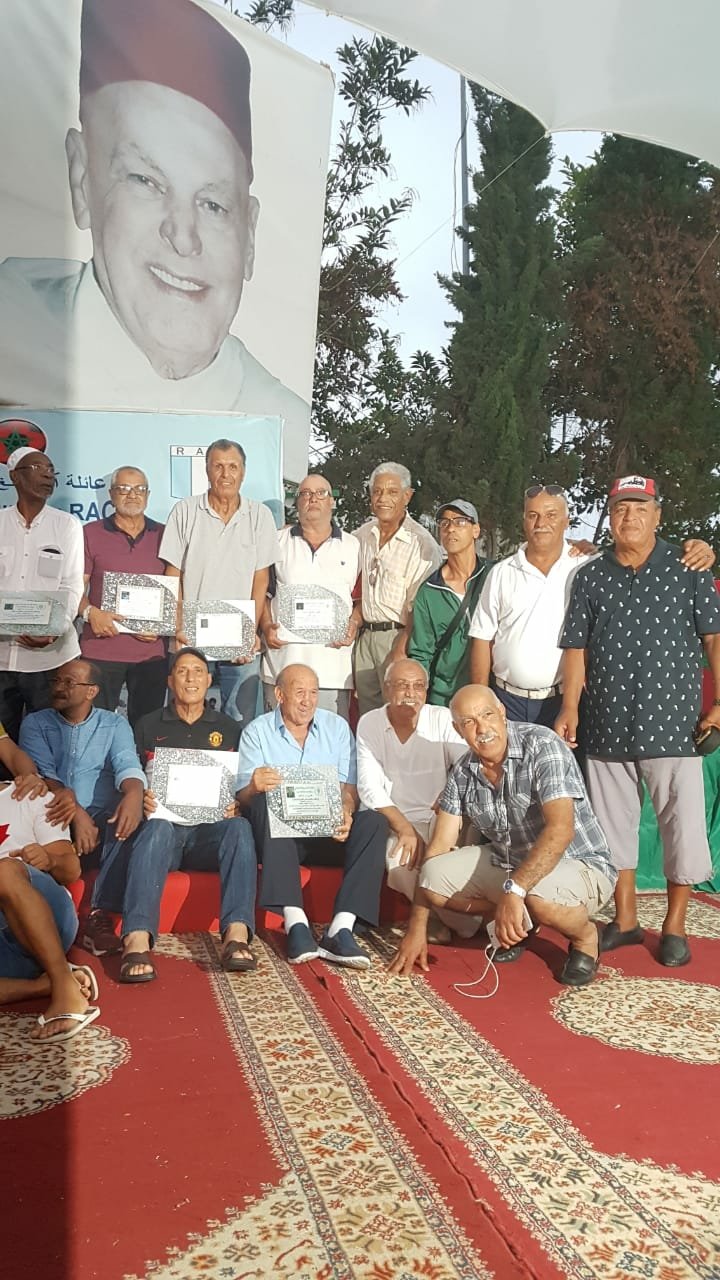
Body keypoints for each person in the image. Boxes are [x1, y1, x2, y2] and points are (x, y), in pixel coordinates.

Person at [0, 0, 309, 480]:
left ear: (249, 235)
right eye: (145, 181)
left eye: (214, 204)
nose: (183, 238)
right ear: (82, 180)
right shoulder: (12, 321)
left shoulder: (282, 431)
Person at [556, 475, 720, 967]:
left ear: (657, 515)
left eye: (640, 508)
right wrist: (570, 707)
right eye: (621, 509)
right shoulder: (590, 576)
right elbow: (576, 648)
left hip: (674, 727)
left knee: (681, 828)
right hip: (607, 722)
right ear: (610, 516)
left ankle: (674, 926)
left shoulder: (689, 567)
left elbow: (713, 638)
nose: (630, 517)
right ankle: (625, 920)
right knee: (612, 829)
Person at [389, 685, 617, 986]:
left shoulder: (543, 744)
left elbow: (561, 830)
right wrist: (417, 927)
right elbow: (438, 848)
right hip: (513, 865)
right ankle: (522, 921)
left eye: (487, 715)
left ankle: (586, 938)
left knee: (537, 895)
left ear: (502, 713)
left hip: (579, 863)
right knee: (433, 877)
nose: (482, 728)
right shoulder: (463, 772)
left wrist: (515, 891)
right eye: (469, 722)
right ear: (458, 730)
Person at [469, 483, 714, 728]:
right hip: (507, 700)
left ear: (567, 521)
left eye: (551, 515)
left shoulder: (587, 566)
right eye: (533, 515)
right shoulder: (501, 573)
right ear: (524, 520)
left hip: (566, 701)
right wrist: (482, 700)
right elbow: (482, 638)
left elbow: (631, 555)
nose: (541, 523)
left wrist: (700, 548)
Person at [97, 647, 258, 983]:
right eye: (182, 671)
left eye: (198, 671)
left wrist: (236, 803)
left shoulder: (229, 729)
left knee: (240, 827)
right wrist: (142, 795)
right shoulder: (147, 724)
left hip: (207, 835)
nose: (190, 678)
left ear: (209, 680)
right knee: (156, 826)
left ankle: (236, 936)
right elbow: (131, 774)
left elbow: (239, 783)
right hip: (164, 836)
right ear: (170, 681)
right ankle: (136, 939)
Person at [237, 664, 387, 968]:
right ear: (279, 695)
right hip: (280, 838)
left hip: (328, 832)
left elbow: (349, 786)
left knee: (374, 822)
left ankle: (341, 928)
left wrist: (346, 810)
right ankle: (296, 923)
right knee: (265, 804)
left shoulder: (337, 727)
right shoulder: (257, 731)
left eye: (314, 693)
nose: (308, 701)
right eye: (299, 692)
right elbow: (242, 796)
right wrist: (253, 786)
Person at [18, 658, 146, 955]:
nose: (59, 688)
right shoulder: (35, 723)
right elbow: (44, 774)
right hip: (53, 814)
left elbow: (127, 764)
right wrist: (76, 813)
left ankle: (98, 916)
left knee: (125, 820)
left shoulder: (114, 723)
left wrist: (135, 793)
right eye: (56, 681)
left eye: (69, 682)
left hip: (100, 820)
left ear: (91, 691)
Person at [161, 439, 278, 727]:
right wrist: (178, 624)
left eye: (233, 467)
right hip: (191, 635)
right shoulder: (185, 511)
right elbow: (173, 573)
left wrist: (249, 630)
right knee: (185, 716)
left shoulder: (260, 515)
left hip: (239, 638)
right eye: (218, 466)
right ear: (207, 470)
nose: (226, 474)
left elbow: (261, 579)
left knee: (240, 719)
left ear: (243, 472)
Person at [356, 658, 472, 942]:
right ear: (386, 689)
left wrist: (449, 795)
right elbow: (370, 788)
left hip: (442, 816)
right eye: (402, 685)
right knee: (398, 861)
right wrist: (404, 828)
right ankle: (439, 919)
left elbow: (468, 764)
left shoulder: (441, 718)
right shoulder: (370, 723)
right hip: (397, 819)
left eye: (418, 686)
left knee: (449, 865)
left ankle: (468, 920)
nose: (411, 693)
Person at [0, 776, 99, 1043]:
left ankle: (64, 988)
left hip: (47, 917)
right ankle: (46, 984)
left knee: (4, 871)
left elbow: (71, 869)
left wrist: (49, 860)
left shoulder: (29, 795)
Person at [260, 474, 361, 720]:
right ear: (297, 502)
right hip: (283, 665)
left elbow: (360, 600)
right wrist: (266, 625)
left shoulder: (354, 545)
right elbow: (263, 593)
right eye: (305, 493)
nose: (312, 499)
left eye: (321, 493)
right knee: (279, 738)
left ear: (332, 501)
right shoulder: (276, 542)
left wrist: (354, 623)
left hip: (333, 670)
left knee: (328, 740)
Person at [0, 447, 84, 742]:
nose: (48, 475)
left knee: (49, 744)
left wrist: (54, 629)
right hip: (1, 658)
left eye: (50, 469)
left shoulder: (67, 525)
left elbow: (72, 585)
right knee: (3, 747)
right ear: (15, 476)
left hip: (49, 660)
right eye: (38, 468)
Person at [79, 465, 168, 726]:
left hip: (151, 654)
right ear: (111, 494)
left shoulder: (165, 535)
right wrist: (90, 613)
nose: (132, 495)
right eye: (124, 489)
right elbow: (74, 589)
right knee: (95, 727)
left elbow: (178, 590)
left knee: (147, 730)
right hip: (101, 650)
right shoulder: (90, 533)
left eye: (139, 489)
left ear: (148, 495)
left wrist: (164, 625)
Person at [353, 463, 442, 716]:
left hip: (398, 637)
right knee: (368, 716)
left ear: (407, 496)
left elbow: (420, 608)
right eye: (377, 491)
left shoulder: (421, 544)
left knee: (399, 713)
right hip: (365, 638)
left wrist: (401, 648)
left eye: (392, 492)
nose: (383, 498)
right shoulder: (362, 535)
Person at [406, 499, 491, 705]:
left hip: (492, 692)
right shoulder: (429, 591)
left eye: (460, 522)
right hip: (444, 697)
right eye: (444, 523)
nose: (451, 528)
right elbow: (421, 652)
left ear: (476, 530)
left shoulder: (495, 575)